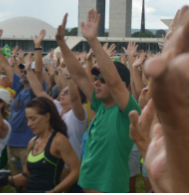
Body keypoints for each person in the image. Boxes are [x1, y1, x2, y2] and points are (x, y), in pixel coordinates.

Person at [55, 10, 140, 193]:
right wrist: (62, 44)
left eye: (103, 79)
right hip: (86, 186)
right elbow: (78, 75)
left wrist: (93, 41)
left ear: (123, 85)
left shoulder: (126, 111)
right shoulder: (100, 105)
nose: (97, 82)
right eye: (96, 78)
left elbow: (114, 81)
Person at [8, 98, 82, 193]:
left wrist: (54, 191)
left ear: (47, 116)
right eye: (27, 119)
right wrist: (7, 179)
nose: (29, 124)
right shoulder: (32, 142)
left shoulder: (59, 140)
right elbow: (26, 175)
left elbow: (76, 171)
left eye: (33, 119)